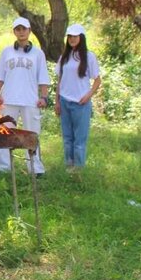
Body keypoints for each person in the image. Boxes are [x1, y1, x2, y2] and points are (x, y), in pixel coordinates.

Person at [0, 17, 50, 176]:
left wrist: (44, 97)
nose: (21, 32)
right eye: (18, 29)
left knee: (32, 135)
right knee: (5, 134)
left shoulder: (38, 54)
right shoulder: (7, 51)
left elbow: (43, 77)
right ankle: (2, 166)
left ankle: (35, 168)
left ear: (29, 31)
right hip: (9, 99)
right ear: (14, 32)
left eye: (24, 29)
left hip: (30, 100)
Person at [55, 23, 102, 172]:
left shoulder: (89, 56)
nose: (72, 39)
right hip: (64, 100)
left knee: (79, 139)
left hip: (81, 103)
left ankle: (79, 169)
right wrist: (57, 101)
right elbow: (60, 80)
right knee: (67, 138)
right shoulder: (64, 57)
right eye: (70, 37)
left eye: (75, 36)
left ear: (81, 38)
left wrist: (88, 95)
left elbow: (97, 80)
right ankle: (69, 166)